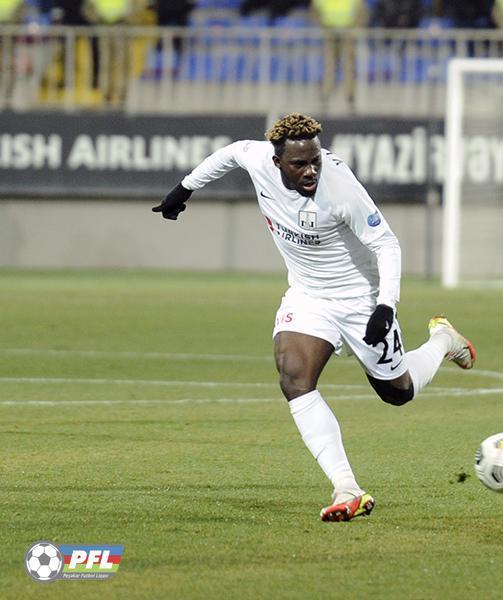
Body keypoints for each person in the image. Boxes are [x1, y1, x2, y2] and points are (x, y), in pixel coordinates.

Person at [152, 113, 476, 522]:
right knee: (294, 377)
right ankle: (347, 488)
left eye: (315, 161)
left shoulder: (341, 189)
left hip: (361, 299)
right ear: (277, 162)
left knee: (398, 392)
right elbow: (231, 153)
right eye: (299, 164)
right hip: (308, 295)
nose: (310, 171)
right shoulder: (258, 159)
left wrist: (385, 306)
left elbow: (387, 245)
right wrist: (184, 189)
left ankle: (443, 340)